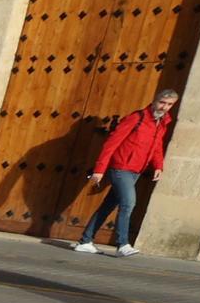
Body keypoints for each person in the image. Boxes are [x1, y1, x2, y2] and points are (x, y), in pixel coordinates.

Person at [72, 87, 179, 256]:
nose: (164, 107)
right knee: (128, 203)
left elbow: (157, 146)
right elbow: (111, 143)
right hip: (121, 167)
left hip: (136, 170)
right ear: (155, 100)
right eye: (162, 102)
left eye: (169, 104)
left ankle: (85, 241)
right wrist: (100, 169)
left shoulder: (162, 123)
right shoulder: (137, 118)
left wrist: (158, 166)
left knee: (108, 206)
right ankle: (122, 244)